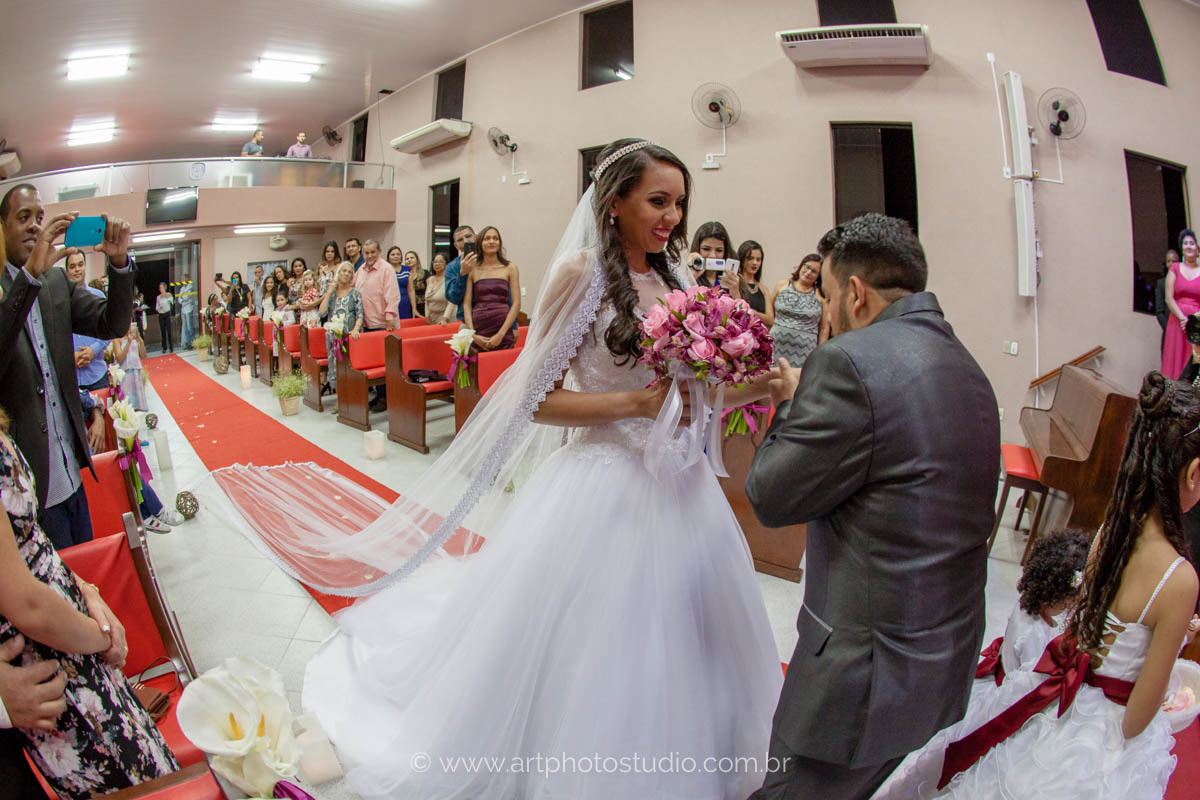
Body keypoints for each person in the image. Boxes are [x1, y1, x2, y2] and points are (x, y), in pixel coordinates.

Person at [300, 138, 782, 798]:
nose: (672, 216)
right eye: (658, 200)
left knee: (690, 640)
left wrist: (758, 385)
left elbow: (692, 392)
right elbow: (535, 399)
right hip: (602, 484)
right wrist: (632, 403)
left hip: (681, 488)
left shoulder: (681, 282)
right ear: (615, 203)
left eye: (679, 203)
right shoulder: (579, 275)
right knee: (593, 650)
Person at [745, 213, 1001, 799]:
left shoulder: (848, 362)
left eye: (830, 296)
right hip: (941, 658)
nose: (829, 314)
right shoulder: (969, 368)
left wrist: (788, 402)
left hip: (861, 679)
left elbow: (771, 496)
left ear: (855, 293)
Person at [876, 372, 1200, 800]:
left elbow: (1092, 633)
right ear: (1193, 473)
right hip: (1100, 737)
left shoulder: (1110, 533)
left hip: (1061, 700)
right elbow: (1136, 719)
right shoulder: (1178, 580)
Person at [0, 407, 180, 797]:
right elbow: (25, 603)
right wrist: (102, 637)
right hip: (49, 661)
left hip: (68, 647)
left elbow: (28, 544)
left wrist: (85, 590)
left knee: (151, 775)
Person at [0, 184, 136, 551]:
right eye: (23, 217)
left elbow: (112, 324)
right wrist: (27, 278)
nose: (34, 226)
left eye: (40, 218)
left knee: (87, 574)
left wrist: (120, 263)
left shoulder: (56, 282)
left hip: (72, 471)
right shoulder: (10, 290)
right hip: (28, 488)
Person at [464, 226, 520, 351]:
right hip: (479, 327)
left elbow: (516, 303)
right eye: (487, 238)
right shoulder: (472, 269)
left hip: (503, 326)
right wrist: (472, 334)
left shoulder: (510, 267)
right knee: (480, 367)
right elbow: (466, 304)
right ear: (480, 243)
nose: (492, 241)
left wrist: (501, 334)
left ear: (499, 243)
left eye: (495, 238)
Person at [319, 262, 364, 413]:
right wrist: (328, 293)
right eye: (343, 271)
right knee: (335, 368)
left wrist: (356, 329)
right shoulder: (331, 294)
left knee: (349, 368)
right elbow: (322, 313)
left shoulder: (355, 293)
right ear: (338, 273)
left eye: (349, 272)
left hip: (349, 337)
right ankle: (339, 399)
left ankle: (352, 398)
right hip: (333, 337)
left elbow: (360, 315)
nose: (346, 274)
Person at [770, 253, 827, 370]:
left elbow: (824, 328)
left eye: (814, 271)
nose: (808, 272)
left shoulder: (821, 295)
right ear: (801, 266)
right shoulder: (782, 285)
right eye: (807, 267)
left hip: (804, 354)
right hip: (775, 348)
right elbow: (769, 315)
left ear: (818, 276)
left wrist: (820, 356)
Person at [66, 252, 112, 392]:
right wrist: (69, 356)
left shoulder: (97, 296)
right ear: (67, 271)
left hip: (96, 375)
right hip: (71, 378)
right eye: (72, 266)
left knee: (102, 413)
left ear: (86, 266)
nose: (77, 269)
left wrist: (94, 350)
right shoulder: (61, 302)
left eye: (80, 264)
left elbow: (108, 330)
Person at [1162, 229, 1200, 379]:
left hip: (1196, 325)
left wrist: (1195, 320)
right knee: (1174, 363)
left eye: (1192, 243)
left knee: (1192, 364)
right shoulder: (1175, 269)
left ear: (1197, 248)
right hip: (1177, 323)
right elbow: (1168, 298)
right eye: (1185, 244)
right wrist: (1183, 318)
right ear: (1182, 248)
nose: (1189, 246)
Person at [686, 221, 740, 297]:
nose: (713, 256)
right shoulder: (685, 275)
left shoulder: (733, 280)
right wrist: (691, 277)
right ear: (698, 248)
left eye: (719, 250)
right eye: (706, 249)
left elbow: (742, 308)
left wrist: (735, 292)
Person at [443, 224, 476, 322]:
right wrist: (462, 274)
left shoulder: (489, 260)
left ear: (476, 237)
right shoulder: (452, 267)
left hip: (494, 317)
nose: (465, 241)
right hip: (467, 319)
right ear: (455, 245)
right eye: (460, 239)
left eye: (468, 236)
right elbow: (453, 298)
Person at [737, 239, 773, 325]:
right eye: (750, 258)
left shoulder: (763, 288)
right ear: (742, 259)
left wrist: (754, 313)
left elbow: (770, 320)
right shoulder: (735, 283)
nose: (755, 263)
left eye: (758, 259)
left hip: (759, 334)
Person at [112, 324, 147, 410]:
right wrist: (128, 343)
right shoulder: (117, 339)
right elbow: (119, 358)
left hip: (136, 373)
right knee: (128, 403)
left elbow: (143, 355)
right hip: (125, 375)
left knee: (139, 404)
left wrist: (139, 340)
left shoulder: (133, 337)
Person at [423, 252, 456, 324]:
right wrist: (427, 316)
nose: (437, 264)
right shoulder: (430, 280)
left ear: (446, 264)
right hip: (433, 319)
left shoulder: (450, 279)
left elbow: (451, 302)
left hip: (447, 320)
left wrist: (445, 318)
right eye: (435, 262)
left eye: (441, 262)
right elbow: (426, 300)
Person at [386, 246, 416, 320]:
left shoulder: (407, 270)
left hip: (405, 302)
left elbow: (411, 290)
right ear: (388, 257)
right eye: (393, 254)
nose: (396, 256)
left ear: (401, 256)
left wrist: (414, 308)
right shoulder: (385, 270)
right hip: (390, 302)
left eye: (398, 254)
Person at [405, 250, 427, 317]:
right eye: (407, 259)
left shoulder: (425, 273)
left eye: (412, 258)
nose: (409, 260)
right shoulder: (405, 275)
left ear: (417, 259)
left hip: (423, 306)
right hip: (408, 306)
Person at [178, 277, 197, 349]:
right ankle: (188, 343)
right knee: (185, 327)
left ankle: (192, 342)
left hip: (189, 308)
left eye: (183, 279)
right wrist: (182, 299)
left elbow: (187, 297)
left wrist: (183, 298)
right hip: (183, 309)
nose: (182, 280)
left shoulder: (190, 287)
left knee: (190, 327)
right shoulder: (182, 289)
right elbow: (179, 299)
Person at [154, 281, 173, 353]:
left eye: (161, 287)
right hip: (161, 315)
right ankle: (164, 347)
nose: (160, 289)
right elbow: (156, 307)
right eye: (160, 288)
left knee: (169, 331)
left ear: (164, 288)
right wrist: (159, 308)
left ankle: (171, 347)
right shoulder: (158, 297)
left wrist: (167, 297)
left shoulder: (169, 295)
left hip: (167, 314)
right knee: (163, 332)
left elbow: (172, 302)